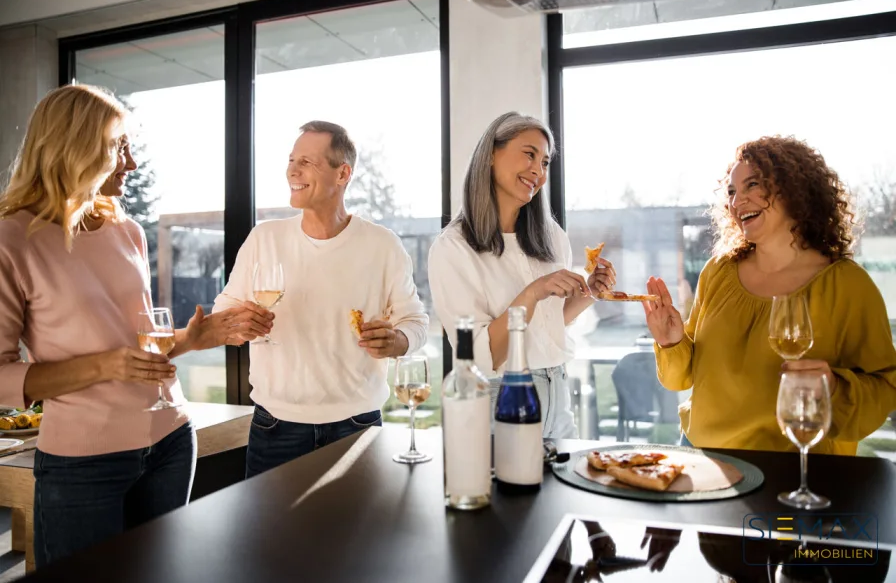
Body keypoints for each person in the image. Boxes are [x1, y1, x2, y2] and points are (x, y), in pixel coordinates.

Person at [0, 84, 270, 567]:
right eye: (118, 146)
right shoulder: (12, 239)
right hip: (84, 464)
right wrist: (105, 365)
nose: (131, 163)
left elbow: (140, 349)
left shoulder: (127, 231)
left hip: (169, 442)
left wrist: (198, 337)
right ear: (73, 147)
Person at [643, 135, 896, 454]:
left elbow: (885, 388)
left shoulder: (848, 286)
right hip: (704, 458)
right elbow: (683, 378)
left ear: (793, 190)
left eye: (752, 185)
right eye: (732, 192)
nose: (737, 202)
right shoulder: (718, 271)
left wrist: (833, 387)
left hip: (800, 469)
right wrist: (671, 342)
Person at [213, 120, 429, 478]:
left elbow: (415, 321)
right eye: (291, 160)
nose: (292, 171)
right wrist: (240, 323)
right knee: (272, 536)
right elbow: (224, 312)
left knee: (357, 534)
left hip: (357, 426)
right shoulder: (264, 239)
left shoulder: (382, 244)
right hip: (274, 429)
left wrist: (398, 340)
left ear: (342, 173)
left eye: (307, 162)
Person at [428, 112, 616, 439]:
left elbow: (550, 322)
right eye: (529, 154)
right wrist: (532, 293)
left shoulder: (551, 236)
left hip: (558, 393)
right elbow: (479, 356)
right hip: (500, 396)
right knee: (507, 492)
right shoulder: (453, 249)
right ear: (490, 154)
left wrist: (590, 293)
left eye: (545, 162)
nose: (538, 171)